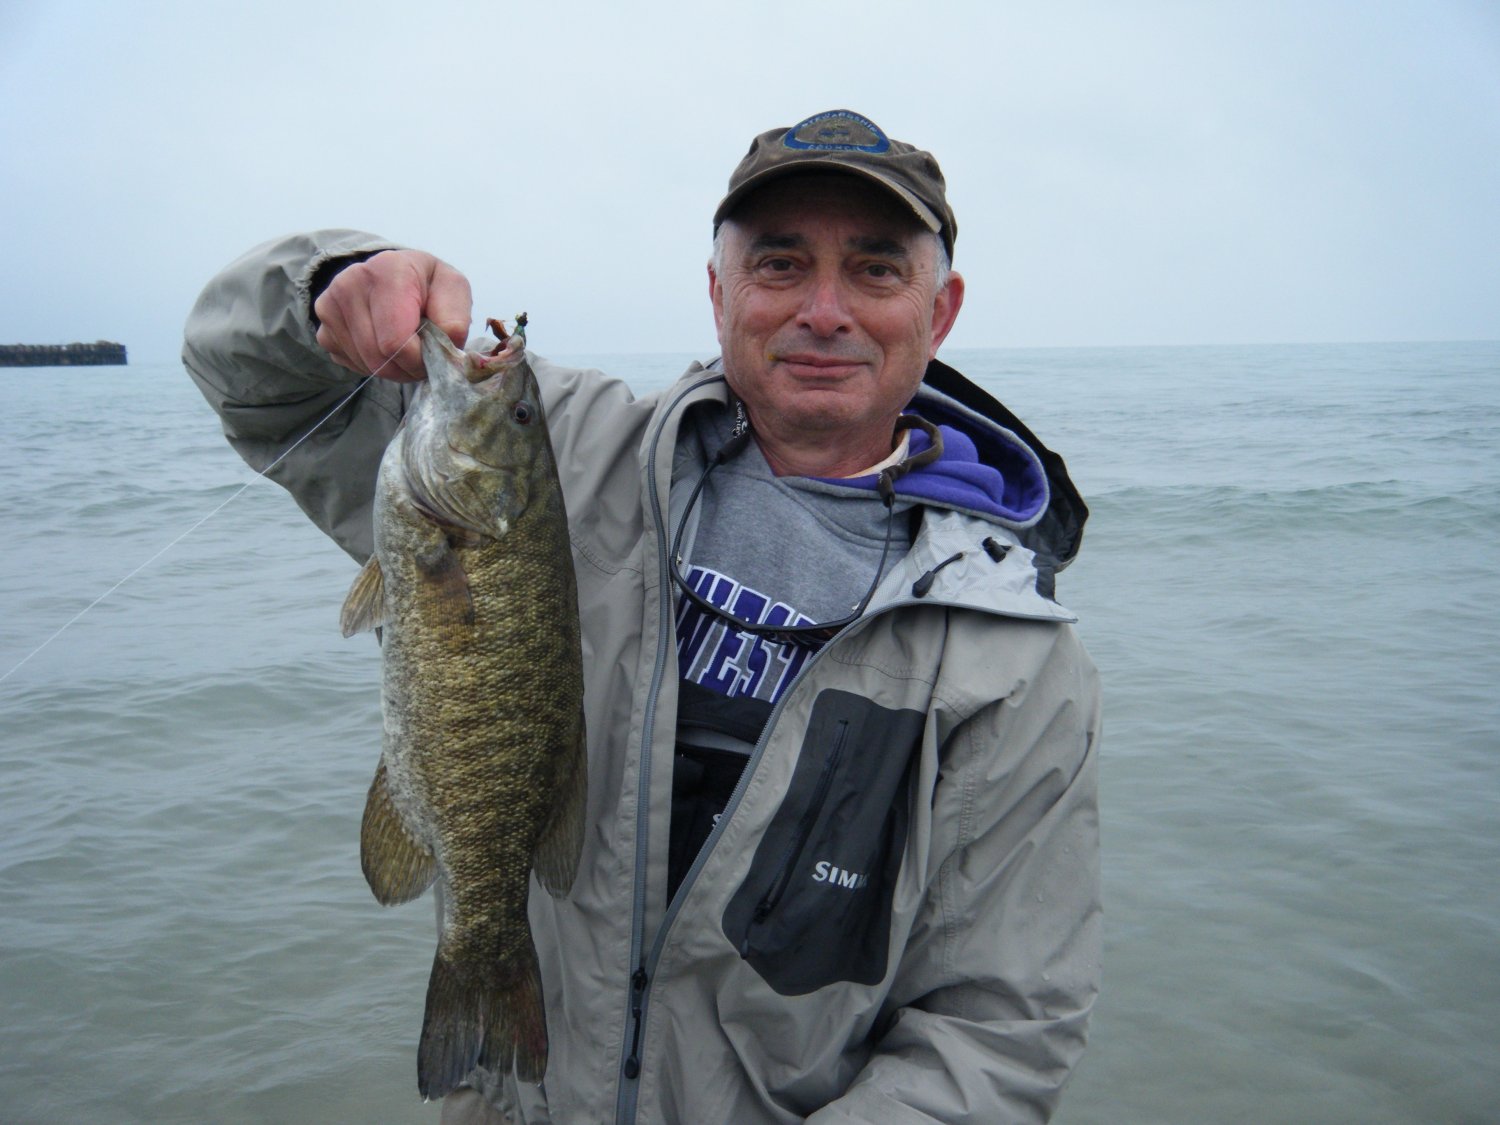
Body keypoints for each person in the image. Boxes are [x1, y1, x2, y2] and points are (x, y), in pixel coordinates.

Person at [183, 109, 1102, 1124]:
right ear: (718, 292)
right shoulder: (554, 453)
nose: (825, 310)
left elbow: (998, 1025)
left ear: (943, 308)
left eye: (876, 270)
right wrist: (335, 286)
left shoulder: (1011, 656)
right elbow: (246, 376)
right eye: (781, 264)